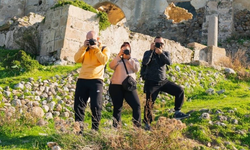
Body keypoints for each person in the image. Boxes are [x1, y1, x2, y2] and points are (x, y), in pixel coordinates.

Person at [141, 36, 190, 130]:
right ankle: (147, 124)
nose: (160, 45)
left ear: (163, 45)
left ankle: (177, 112)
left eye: (161, 43)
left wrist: (161, 53)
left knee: (179, 90)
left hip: (163, 81)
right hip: (151, 82)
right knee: (149, 103)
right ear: (153, 43)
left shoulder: (165, 53)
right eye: (157, 43)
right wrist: (151, 51)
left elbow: (169, 62)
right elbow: (145, 62)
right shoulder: (148, 53)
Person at [74, 31, 110, 131]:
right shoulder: (84, 49)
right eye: (88, 39)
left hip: (96, 80)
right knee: (78, 106)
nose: (90, 41)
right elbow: (76, 59)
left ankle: (94, 130)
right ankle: (78, 131)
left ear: (97, 39)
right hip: (82, 79)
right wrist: (83, 47)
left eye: (92, 39)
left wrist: (96, 49)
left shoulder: (103, 48)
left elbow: (104, 60)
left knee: (96, 106)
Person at [109, 42, 141, 128]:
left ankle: (137, 128)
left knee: (136, 105)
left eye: (127, 49)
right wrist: (119, 55)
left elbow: (137, 69)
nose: (125, 50)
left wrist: (129, 59)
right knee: (117, 108)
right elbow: (111, 66)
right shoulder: (118, 59)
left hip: (129, 86)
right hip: (116, 86)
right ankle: (116, 128)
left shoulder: (134, 59)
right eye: (124, 49)